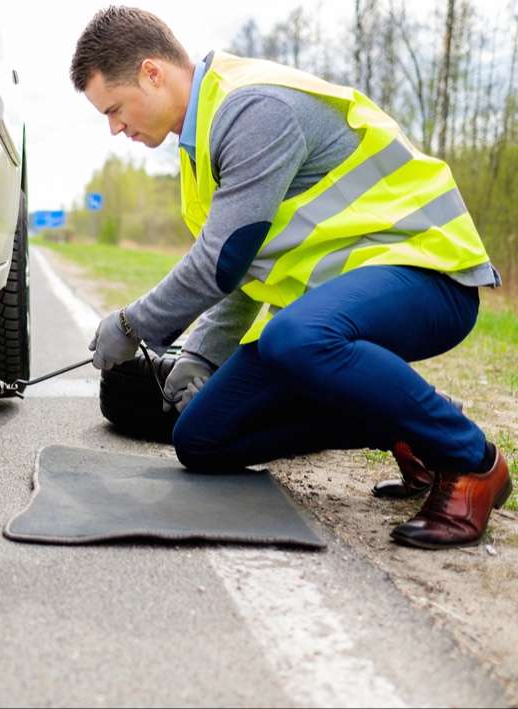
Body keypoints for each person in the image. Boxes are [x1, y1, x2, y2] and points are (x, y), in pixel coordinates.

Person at [71, 6, 511, 549]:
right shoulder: (199, 147)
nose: (115, 127)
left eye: (113, 109)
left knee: (293, 338)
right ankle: (405, 423)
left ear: (151, 73)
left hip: (430, 274)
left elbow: (221, 260)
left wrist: (133, 324)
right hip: (337, 309)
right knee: (201, 438)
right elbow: (246, 269)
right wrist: (201, 356)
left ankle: (472, 461)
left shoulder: (252, 107)